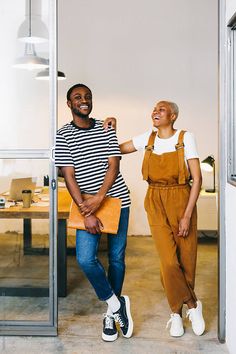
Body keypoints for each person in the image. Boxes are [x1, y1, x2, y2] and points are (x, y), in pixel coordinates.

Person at [105, 100, 205, 337]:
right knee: (169, 262)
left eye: (161, 109)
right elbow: (118, 149)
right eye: (154, 109)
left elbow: (197, 179)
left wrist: (187, 215)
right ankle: (190, 306)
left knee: (186, 261)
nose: (155, 112)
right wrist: (109, 131)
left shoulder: (185, 138)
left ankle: (176, 315)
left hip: (182, 200)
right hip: (155, 201)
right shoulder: (147, 139)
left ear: (173, 116)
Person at [55, 83, 133, 342]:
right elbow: (69, 176)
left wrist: (100, 198)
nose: (83, 100)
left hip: (116, 200)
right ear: (69, 104)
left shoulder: (106, 128)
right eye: (77, 97)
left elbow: (113, 164)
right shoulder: (63, 135)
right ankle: (115, 303)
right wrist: (86, 211)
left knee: (116, 259)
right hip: (86, 206)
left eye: (87, 97)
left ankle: (110, 317)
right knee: (86, 258)